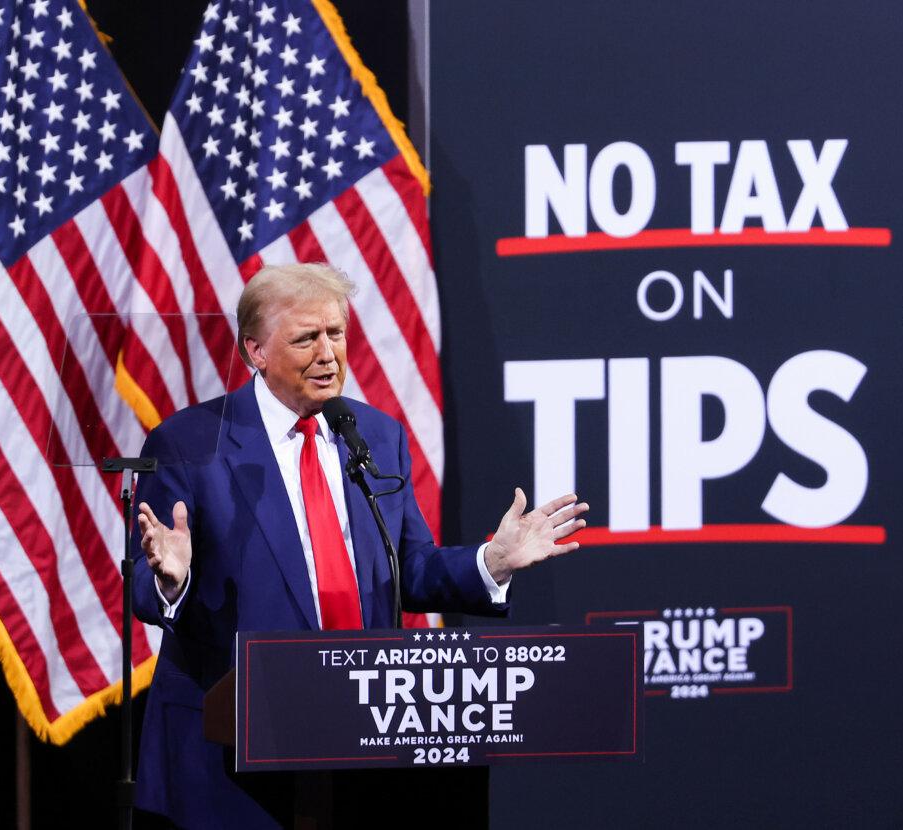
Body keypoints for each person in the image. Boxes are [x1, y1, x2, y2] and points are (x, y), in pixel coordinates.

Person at [130, 262, 588, 828]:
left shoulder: (373, 434)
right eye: (306, 338)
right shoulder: (190, 441)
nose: (328, 353)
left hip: (354, 736)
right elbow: (145, 588)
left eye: (337, 333)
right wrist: (171, 581)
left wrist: (491, 562)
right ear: (257, 352)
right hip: (228, 752)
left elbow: (409, 568)